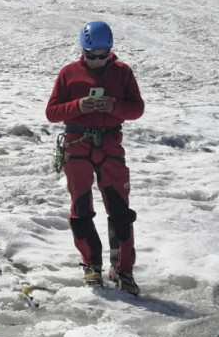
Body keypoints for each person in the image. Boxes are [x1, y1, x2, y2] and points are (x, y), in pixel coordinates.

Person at [45, 21, 145, 294]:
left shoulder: (123, 72)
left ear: (110, 51)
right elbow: (52, 112)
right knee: (81, 208)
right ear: (83, 50)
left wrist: (115, 106)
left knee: (121, 211)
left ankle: (123, 270)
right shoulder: (69, 74)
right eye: (92, 55)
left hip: (110, 145)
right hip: (77, 146)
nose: (98, 61)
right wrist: (78, 106)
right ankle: (92, 265)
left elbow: (137, 109)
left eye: (103, 55)